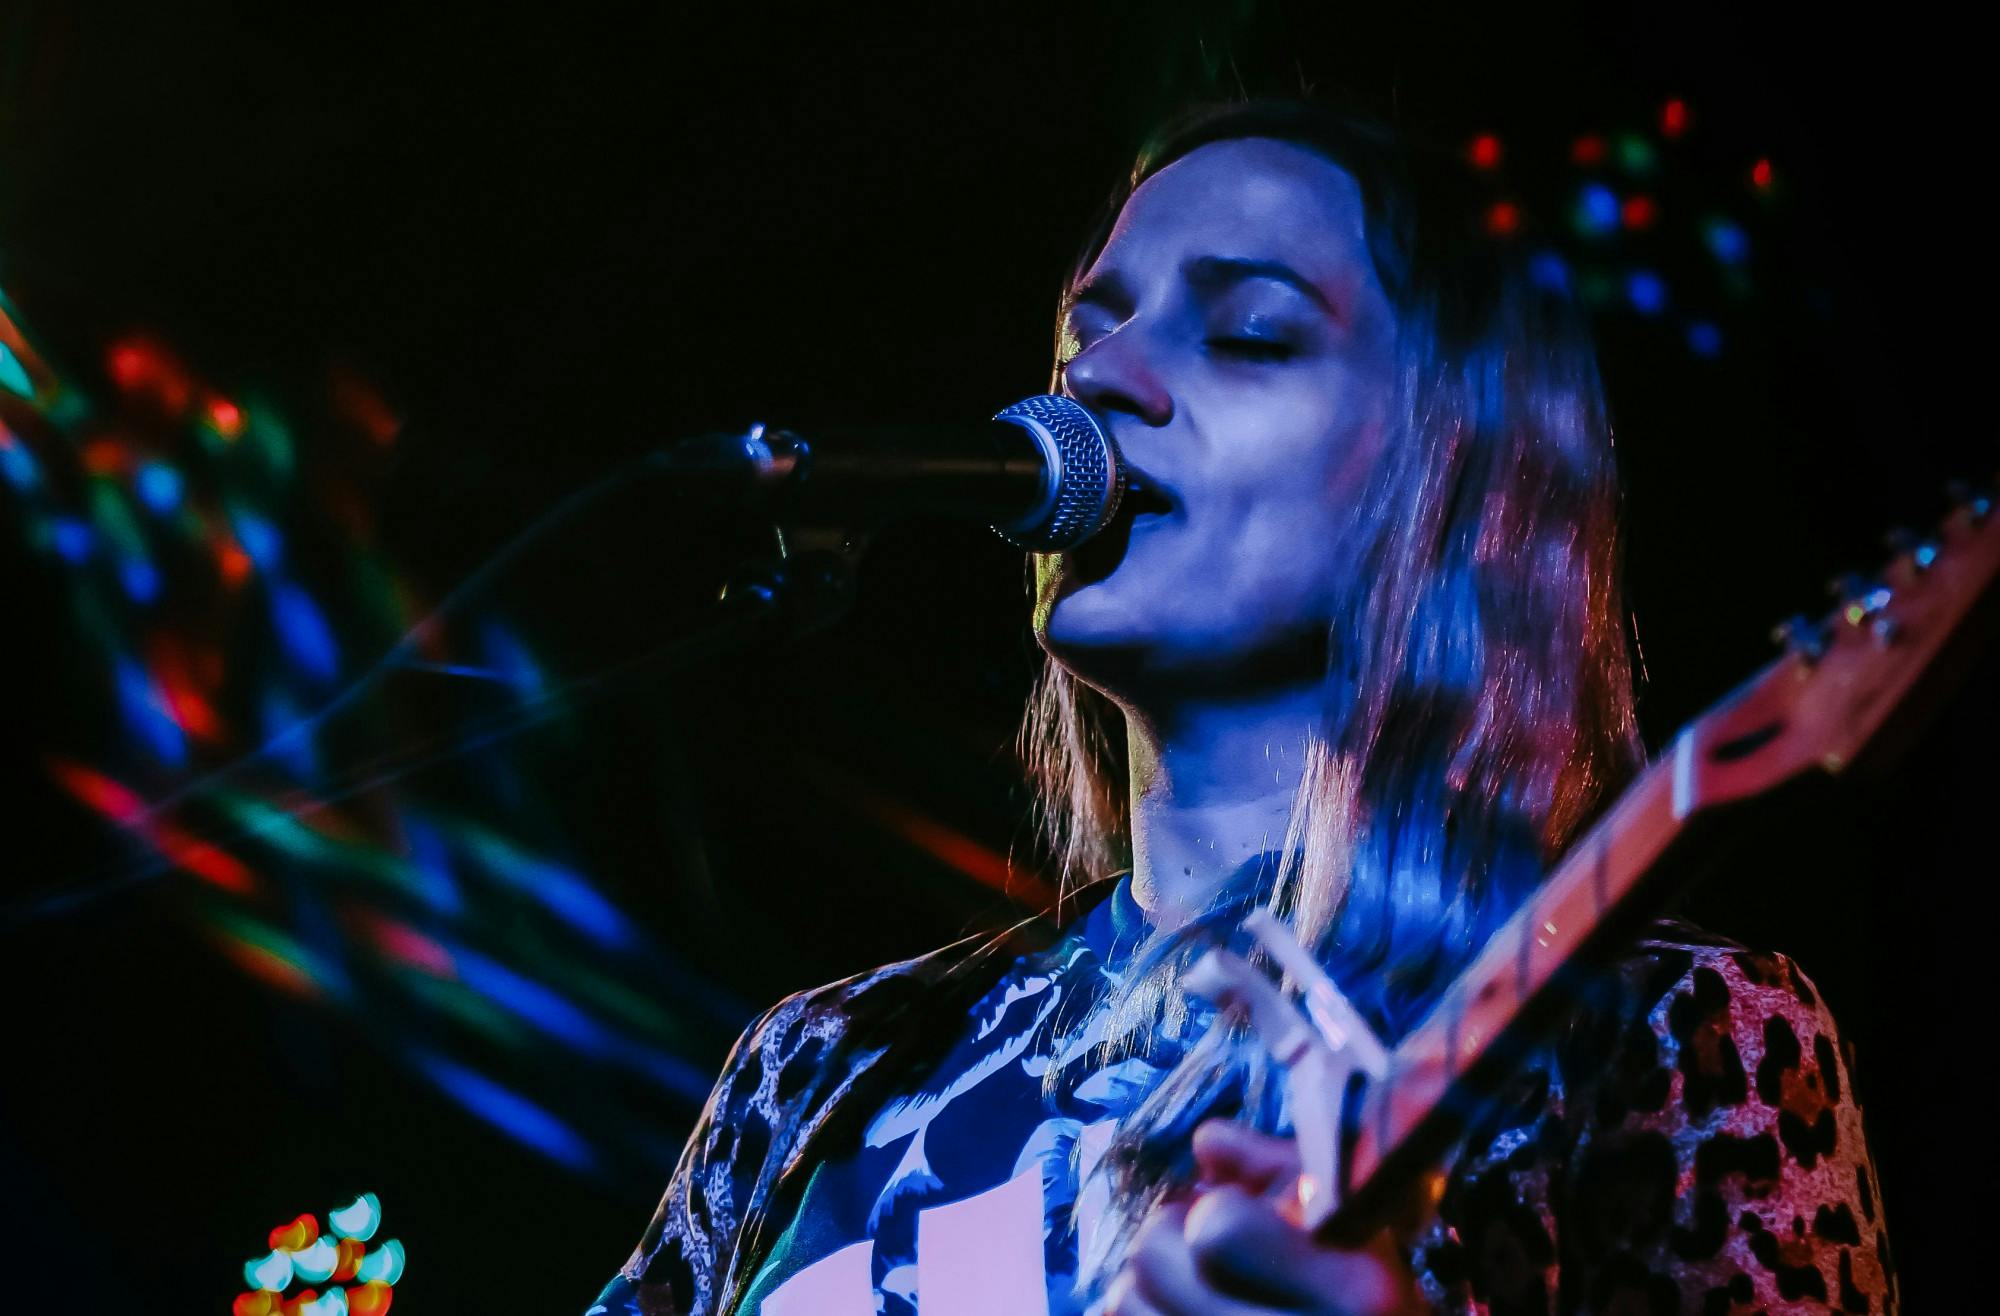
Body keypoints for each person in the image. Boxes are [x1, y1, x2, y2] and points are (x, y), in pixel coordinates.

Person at [588, 99, 1894, 1316]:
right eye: (1087, 332)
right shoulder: (819, 1064)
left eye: (1250, 335)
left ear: (1454, 477)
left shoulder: (1652, 1039)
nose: (1099, 381)